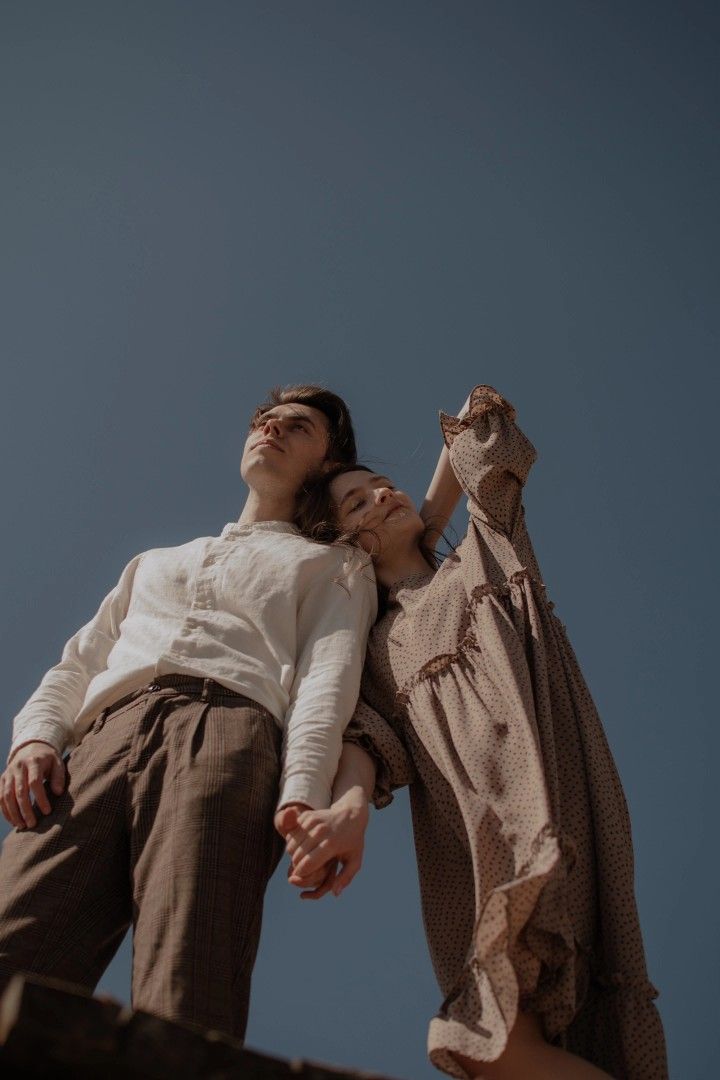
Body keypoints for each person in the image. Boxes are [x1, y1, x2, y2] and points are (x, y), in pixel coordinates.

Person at [282, 386, 669, 1080]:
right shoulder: (370, 642)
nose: (382, 496)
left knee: (510, 1034)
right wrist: (345, 809)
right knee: (486, 1043)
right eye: (358, 503)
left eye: (384, 486)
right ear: (345, 542)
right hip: (469, 836)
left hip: (549, 792)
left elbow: (480, 426)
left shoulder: (487, 549)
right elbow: (369, 742)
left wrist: (427, 518)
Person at [0, 384, 377, 1041]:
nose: (272, 428)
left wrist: (302, 793)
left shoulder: (336, 563)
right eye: (265, 419)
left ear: (326, 462)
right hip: (96, 743)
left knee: (188, 973)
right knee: (14, 935)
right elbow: (79, 661)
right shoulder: (153, 562)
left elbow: (328, 679)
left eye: (298, 426)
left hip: (227, 736)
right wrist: (34, 738)